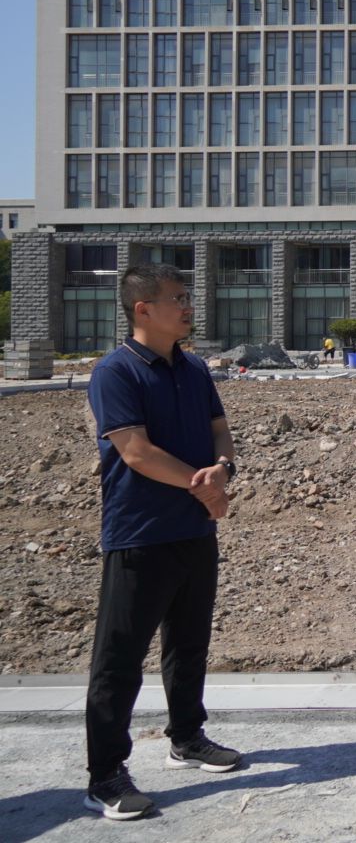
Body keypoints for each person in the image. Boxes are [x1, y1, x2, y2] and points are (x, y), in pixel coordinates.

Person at [83, 263, 243, 821]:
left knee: (189, 643)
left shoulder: (193, 368)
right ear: (143, 309)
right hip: (140, 532)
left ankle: (187, 737)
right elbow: (136, 451)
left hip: (194, 529)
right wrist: (205, 488)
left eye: (187, 296)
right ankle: (105, 774)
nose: (188, 306)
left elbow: (220, 429)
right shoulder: (115, 372)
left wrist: (223, 468)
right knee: (119, 659)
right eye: (177, 298)